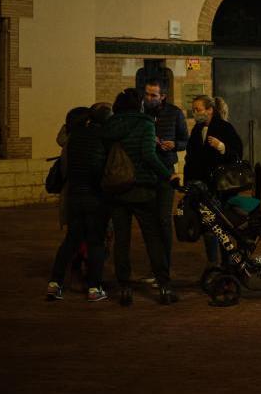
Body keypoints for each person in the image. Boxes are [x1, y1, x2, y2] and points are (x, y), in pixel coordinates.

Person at [105, 89, 175, 305]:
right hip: (142, 188)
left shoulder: (110, 125)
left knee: (122, 240)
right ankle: (164, 286)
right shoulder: (145, 124)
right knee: (152, 238)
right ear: (138, 106)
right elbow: (149, 156)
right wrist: (168, 175)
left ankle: (125, 287)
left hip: (117, 190)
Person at [46, 106, 108, 302]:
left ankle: (55, 283)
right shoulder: (99, 137)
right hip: (94, 197)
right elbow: (98, 169)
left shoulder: (71, 140)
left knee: (71, 240)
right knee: (96, 242)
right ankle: (94, 287)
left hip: (74, 196)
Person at [183, 94, 243, 266]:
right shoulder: (197, 129)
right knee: (209, 227)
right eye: (194, 110)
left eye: (198, 109)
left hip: (221, 187)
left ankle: (228, 265)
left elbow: (237, 152)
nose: (195, 113)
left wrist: (221, 147)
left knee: (222, 227)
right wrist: (189, 183)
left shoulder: (224, 128)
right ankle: (214, 265)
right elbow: (190, 158)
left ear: (210, 110)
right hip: (202, 188)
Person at [141, 79, 188, 284]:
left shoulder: (175, 113)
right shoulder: (141, 114)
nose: (149, 98)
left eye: (153, 95)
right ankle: (155, 269)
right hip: (145, 173)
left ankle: (164, 269)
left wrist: (174, 144)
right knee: (150, 223)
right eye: (147, 94)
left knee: (163, 220)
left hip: (166, 172)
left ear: (163, 96)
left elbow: (185, 140)